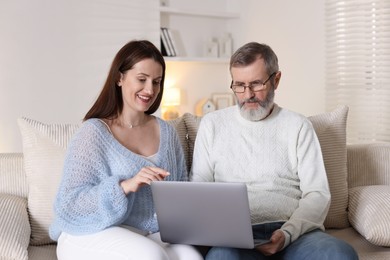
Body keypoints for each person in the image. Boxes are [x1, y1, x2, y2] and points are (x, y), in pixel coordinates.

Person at [191, 42, 358, 260]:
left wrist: (287, 233)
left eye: (256, 84)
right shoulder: (212, 125)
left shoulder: (298, 126)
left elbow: (317, 194)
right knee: (222, 257)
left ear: (276, 79)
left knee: (340, 254)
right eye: (239, 85)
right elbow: (199, 189)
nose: (248, 94)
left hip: (294, 233)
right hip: (236, 238)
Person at [49, 40, 203, 260]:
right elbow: (69, 204)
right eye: (142, 79)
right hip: (87, 231)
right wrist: (125, 186)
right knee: (151, 255)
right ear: (120, 78)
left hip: (145, 232)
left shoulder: (167, 133)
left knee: (191, 256)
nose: (150, 90)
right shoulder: (94, 133)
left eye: (156, 82)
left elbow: (181, 193)